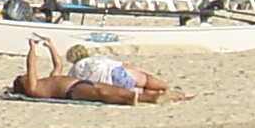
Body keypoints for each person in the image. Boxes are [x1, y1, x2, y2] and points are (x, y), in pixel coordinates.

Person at [9, 36, 182, 105]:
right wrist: (31, 48)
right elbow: (31, 66)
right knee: (100, 92)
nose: (25, 76)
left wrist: (50, 46)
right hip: (73, 90)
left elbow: (58, 66)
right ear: (23, 84)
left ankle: (155, 97)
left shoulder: (46, 82)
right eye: (22, 78)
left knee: (117, 90)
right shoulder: (34, 88)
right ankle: (144, 98)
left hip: (80, 83)